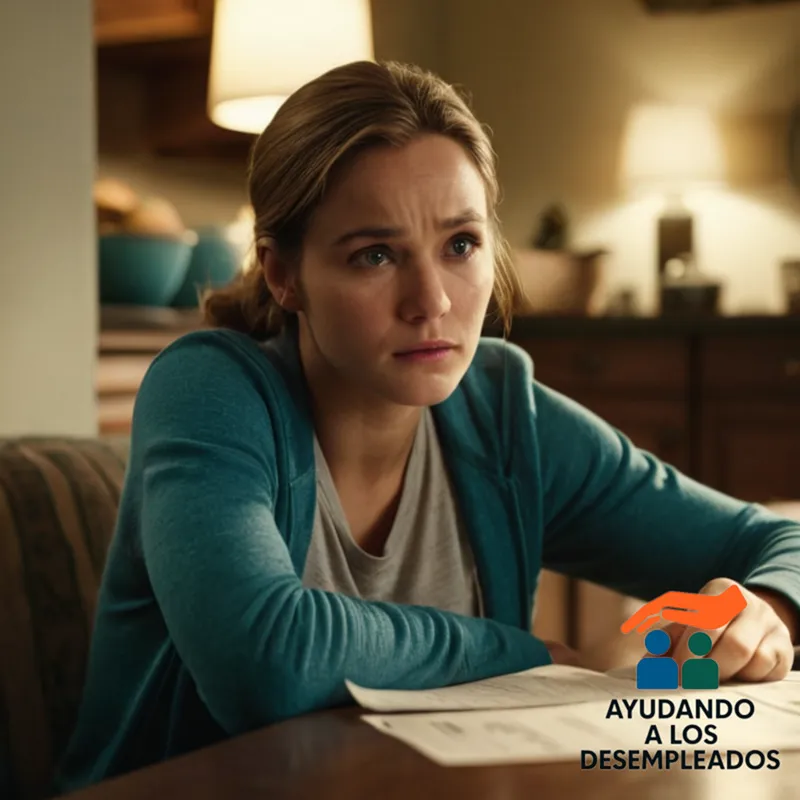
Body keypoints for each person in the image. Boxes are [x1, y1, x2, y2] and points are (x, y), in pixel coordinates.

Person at [54, 60, 800, 793]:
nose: (432, 301)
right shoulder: (210, 391)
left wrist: (767, 608)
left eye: (461, 245)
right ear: (284, 274)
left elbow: (776, 541)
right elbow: (267, 661)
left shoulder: (503, 412)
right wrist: (516, 652)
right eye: (375, 255)